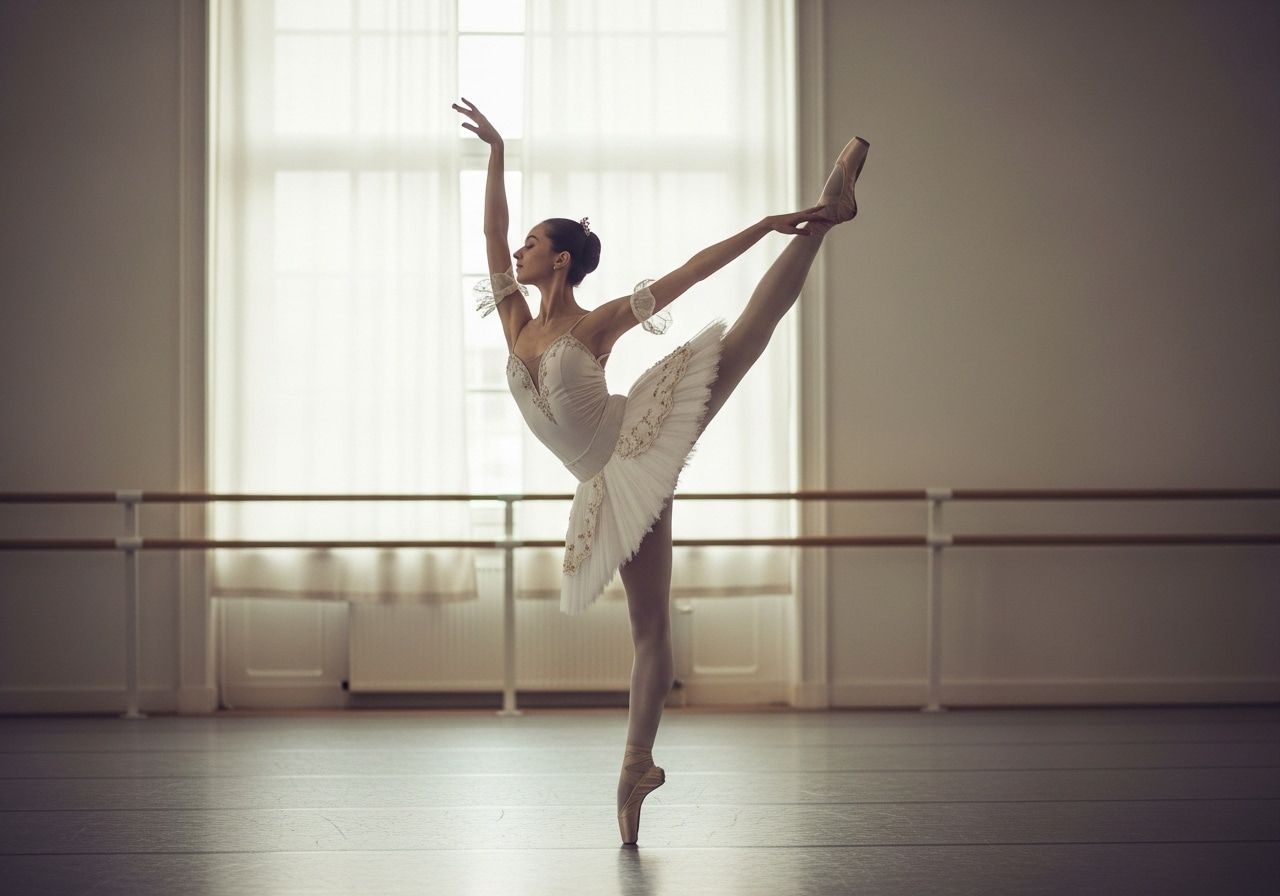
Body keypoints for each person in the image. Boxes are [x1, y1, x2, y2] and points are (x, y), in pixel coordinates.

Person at [452, 97, 868, 846]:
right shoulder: (516, 320)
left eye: (532, 245)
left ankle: (822, 220)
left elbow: (689, 271)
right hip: (604, 485)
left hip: (635, 440)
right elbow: (490, 232)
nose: (517, 255)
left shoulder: (595, 323)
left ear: (562, 260)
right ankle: (637, 769)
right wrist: (497, 151)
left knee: (744, 338)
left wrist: (767, 223)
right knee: (648, 629)